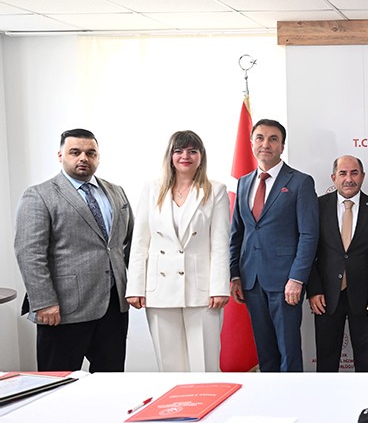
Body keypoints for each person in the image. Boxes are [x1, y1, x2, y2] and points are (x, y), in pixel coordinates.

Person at [14, 128, 134, 372]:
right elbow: (30, 253)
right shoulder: (39, 195)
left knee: (111, 380)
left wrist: (134, 287)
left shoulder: (116, 192)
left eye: (91, 153)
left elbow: (130, 242)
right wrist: (44, 302)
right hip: (62, 310)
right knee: (58, 382)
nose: (83, 158)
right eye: (75, 152)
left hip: (113, 308)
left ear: (98, 157)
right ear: (60, 155)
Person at [124, 131, 230, 372]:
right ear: (170, 156)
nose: (185, 156)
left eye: (192, 151)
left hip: (203, 291)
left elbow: (220, 244)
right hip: (160, 290)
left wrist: (219, 288)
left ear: (201, 156)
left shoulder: (216, 190)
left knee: (204, 365)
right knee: (169, 366)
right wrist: (135, 288)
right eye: (179, 151)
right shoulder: (152, 189)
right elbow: (140, 242)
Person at [229, 119, 318, 372]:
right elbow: (237, 233)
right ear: (252, 143)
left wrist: (297, 279)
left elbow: (309, 235)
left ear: (282, 146)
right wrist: (234, 274)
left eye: (273, 139)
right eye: (260, 138)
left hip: (285, 282)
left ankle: (293, 395)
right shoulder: (244, 182)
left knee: (288, 351)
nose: (265, 144)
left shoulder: (300, 182)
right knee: (265, 351)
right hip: (251, 280)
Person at [308, 155, 368, 372]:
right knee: (326, 362)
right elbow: (308, 252)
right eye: (343, 173)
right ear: (333, 177)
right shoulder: (318, 206)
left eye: (354, 173)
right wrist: (313, 290)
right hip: (325, 297)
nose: (349, 179)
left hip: (365, 298)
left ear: (362, 176)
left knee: (366, 362)